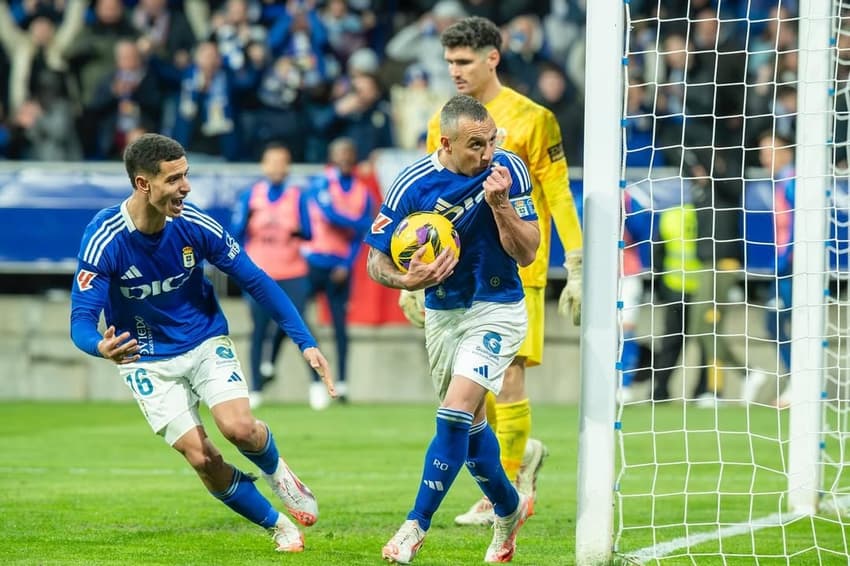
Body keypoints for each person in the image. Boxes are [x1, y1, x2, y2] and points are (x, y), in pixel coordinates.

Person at [69, 133, 335, 554]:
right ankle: (277, 524)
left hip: (203, 339)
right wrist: (98, 347)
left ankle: (278, 472)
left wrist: (304, 341)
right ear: (144, 184)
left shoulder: (194, 223)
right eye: (174, 179)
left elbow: (255, 279)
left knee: (239, 428)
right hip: (146, 359)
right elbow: (81, 319)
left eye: (186, 175)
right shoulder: (106, 237)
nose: (186, 187)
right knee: (201, 458)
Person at [399, 15, 584, 526]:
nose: (455, 71)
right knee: (475, 389)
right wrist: (412, 273)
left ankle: (506, 485)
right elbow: (427, 201)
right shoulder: (446, 121)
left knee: (508, 381)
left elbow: (558, 194)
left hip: (521, 265)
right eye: (450, 62)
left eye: (463, 61)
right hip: (457, 270)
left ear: (492, 58)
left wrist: (579, 261)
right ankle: (519, 460)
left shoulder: (533, 118)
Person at [365, 94, 538, 564]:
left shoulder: (509, 170)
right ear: (446, 142)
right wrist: (407, 280)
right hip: (443, 314)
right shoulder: (411, 184)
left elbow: (527, 252)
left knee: (454, 411)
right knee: (470, 426)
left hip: (498, 306)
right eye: (475, 145)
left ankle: (414, 526)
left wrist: (500, 205)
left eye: (491, 141)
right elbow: (375, 260)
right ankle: (508, 509)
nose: (486, 154)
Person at [229, 143, 315, 410]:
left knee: (297, 322)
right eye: (272, 162)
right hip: (260, 273)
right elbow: (235, 231)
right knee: (258, 330)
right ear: (264, 166)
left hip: (292, 270)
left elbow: (309, 232)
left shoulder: (297, 196)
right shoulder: (251, 196)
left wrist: (295, 232)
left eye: (282, 162)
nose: (277, 167)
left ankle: (315, 383)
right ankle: (255, 386)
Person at [302, 137, 376, 408]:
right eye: (340, 153)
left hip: (339, 268)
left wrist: (347, 264)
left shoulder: (362, 192)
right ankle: (309, 378)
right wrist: (362, 223)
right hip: (313, 262)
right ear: (332, 157)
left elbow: (361, 238)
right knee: (296, 319)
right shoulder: (321, 183)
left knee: (341, 328)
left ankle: (342, 384)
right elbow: (329, 214)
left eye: (349, 153)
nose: (345, 158)